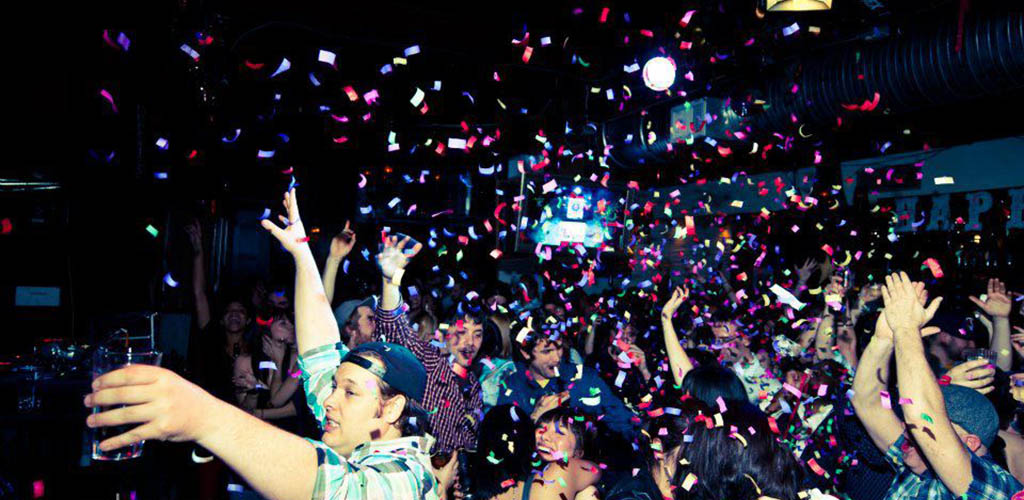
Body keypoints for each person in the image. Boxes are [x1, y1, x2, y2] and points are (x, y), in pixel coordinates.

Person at [85, 188, 440, 500]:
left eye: (348, 392)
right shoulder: (363, 426)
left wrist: (202, 417)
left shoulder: (407, 477)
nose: (328, 399)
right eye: (335, 387)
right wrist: (302, 255)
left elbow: (335, 488)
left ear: (393, 410)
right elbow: (320, 352)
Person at [852, 271, 1022, 499]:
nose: (907, 429)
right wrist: (883, 340)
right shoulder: (917, 467)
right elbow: (866, 402)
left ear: (970, 443)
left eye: (943, 427)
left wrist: (906, 329)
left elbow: (922, 416)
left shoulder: (992, 487)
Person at [372, 232, 485, 455]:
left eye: (478, 334)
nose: (470, 342)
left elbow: (467, 443)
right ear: (444, 331)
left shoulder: (473, 384)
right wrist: (390, 281)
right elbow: (393, 329)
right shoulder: (428, 360)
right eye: (462, 332)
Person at [497, 315, 639, 440]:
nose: (556, 357)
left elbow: (625, 424)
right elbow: (506, 444)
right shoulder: (512, 387)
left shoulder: (584, 378)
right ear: (525, 353)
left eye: (559, 348)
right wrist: (535, 418)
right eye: (547, 352)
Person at [486, 407, 602, 500]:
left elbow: (596, 471)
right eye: (541, 427)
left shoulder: (562, 468)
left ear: (578, 453)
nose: (544, 436)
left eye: (560, 432)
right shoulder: (508, 473)